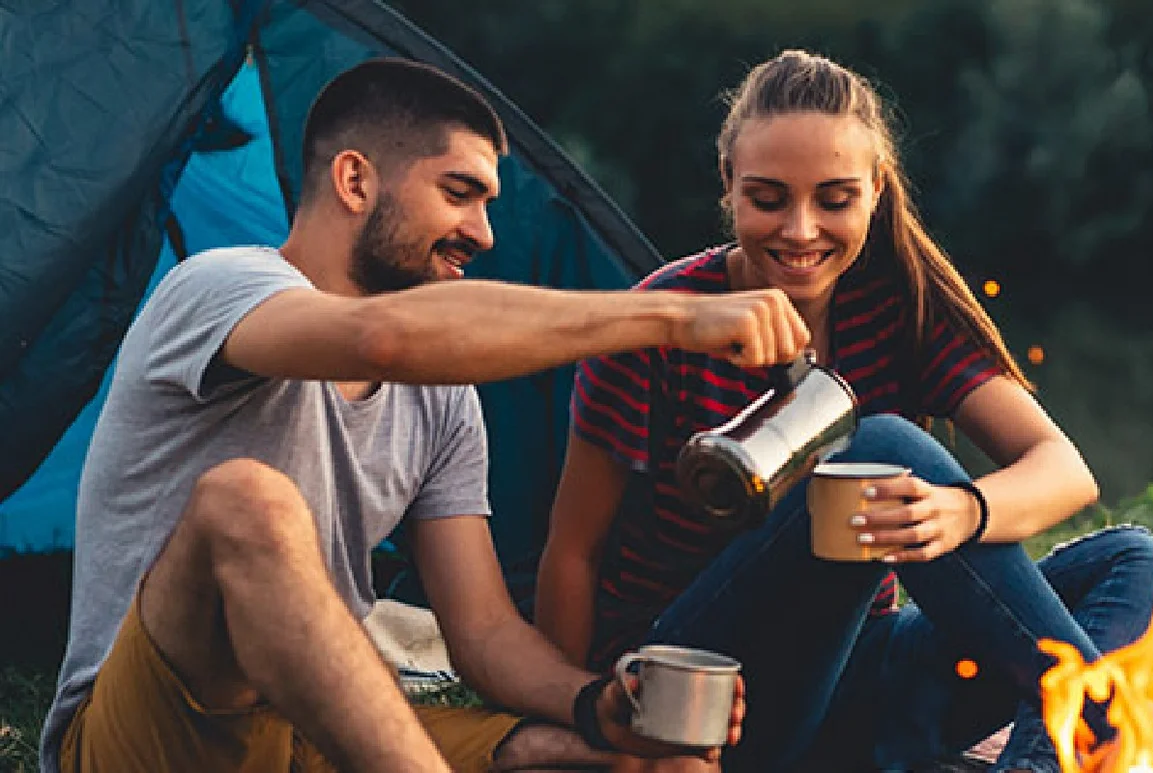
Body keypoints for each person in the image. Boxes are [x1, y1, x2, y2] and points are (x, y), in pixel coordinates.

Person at [38, 57, 792, 773]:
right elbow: (381, 340)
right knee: (249, 501)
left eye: (488, 204)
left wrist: (596, 704)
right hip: (156, 726)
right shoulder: (217, 287)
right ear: (356, 180)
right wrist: (670, 317)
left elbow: (487, 632)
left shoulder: (444, 401)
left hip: (309, 726)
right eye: (459, 192)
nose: (485, 232)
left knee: (643, 757)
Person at [536, 49, 1153, 773]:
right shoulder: (660, 324)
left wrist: (962, 511)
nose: (801, 230)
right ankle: (1101, 731)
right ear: (728, 184)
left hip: (862, 676)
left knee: (1132, 557)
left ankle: (1042, 763)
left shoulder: (897, 306)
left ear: (875, 192)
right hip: (708, 697)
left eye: (834, 199)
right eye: (768, 199)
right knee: (885, 444)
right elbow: (571, 552)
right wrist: (577, 713)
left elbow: (1063, 470)